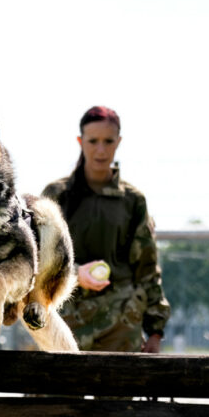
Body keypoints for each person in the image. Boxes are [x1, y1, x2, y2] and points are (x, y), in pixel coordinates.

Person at [42, 105, 170, 354]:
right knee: (55, 394)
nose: (100, 150)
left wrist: (155, 331)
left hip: (119, 326)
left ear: (118, 142)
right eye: (93, 141)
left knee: (117, 394)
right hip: (62, 323)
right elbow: (38, 261)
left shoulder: (132, 200)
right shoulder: (56, 195)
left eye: (108, 141)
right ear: (80, 141)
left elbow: (147, 269)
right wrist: (77, 274)